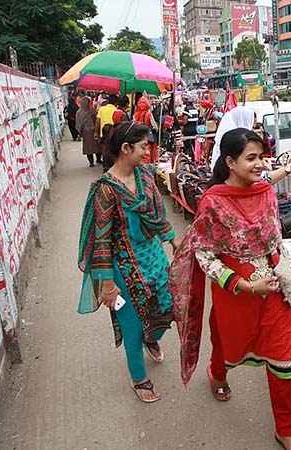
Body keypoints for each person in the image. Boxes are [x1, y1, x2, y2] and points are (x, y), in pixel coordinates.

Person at [170, 128, 291, 450]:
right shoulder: (213, 202)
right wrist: (244, 285)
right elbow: (203, 253)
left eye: (262, 157)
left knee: (285, 361)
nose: (260, 164)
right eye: (251, 158)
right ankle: (218, 374)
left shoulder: (265, 191)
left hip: (274, 290)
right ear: (230, 162)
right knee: (227, 347)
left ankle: (285, 430)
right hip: (235, 294)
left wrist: (280, 270)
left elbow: (274, 235)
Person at [77, 121, 177, 403]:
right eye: (144, 146)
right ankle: (139, 377)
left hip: (154, 259)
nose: (148, 152)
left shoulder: (145, 175)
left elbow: (157, 213)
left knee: (167, 309)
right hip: (124, 269)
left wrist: (171, 238)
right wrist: (107, 284)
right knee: (131, 325)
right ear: (125, 148)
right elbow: (102, 241)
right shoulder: (105, 190)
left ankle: (151, 336)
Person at [75, 96, 100, 167]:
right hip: (93, 130)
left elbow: (78, 124)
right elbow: (96, 120)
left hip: (85, 131)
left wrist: (80, 132)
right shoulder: (92, 110)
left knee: (88, 148)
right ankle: (98, 159)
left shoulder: (78, 112)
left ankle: (91, 162)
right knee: (97, 146)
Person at [95, 94, 117, 164]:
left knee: (104, 150)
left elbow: (97, 122)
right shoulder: (116, 110)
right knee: (112, 150)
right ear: (116, 102)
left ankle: (105, 164)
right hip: (114, 133)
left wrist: (96, 132)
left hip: (103, 133)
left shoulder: (102, 109)